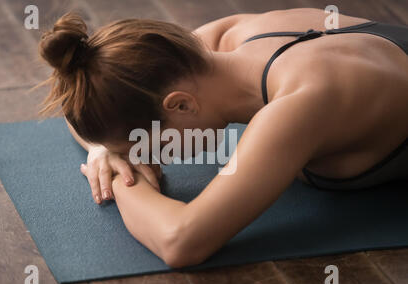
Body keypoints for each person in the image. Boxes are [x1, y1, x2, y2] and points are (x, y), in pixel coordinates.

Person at [38, 8, 408, 268]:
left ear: (180, 105)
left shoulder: (299, 104)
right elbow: (92, 97)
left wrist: (120, 178)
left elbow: (181, 241)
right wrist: (104, 149)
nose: (160, 161)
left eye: (147, 147)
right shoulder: (221, 41)